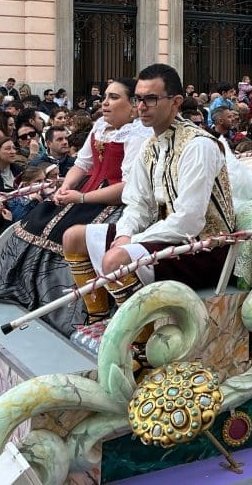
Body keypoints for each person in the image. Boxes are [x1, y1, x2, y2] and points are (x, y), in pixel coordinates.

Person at [60, 65, 233, 357]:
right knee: (73, 237)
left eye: (151, 99)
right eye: (138, 99)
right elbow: (137, 203)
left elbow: (189, 220)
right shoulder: (150, 146)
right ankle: (99, 320)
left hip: (206, 247)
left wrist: (132, 242)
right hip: (162, 236)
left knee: (116, 258)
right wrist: (125, 234)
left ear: (175, 102)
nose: (141, 106)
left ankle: (138, 346)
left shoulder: (199, 145)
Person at [0, 78, 150, 335]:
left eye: (114, 97)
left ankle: (87, 313)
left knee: (71, 232)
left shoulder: (140, 135)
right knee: (39, 219)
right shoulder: (100, 126)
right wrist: (65, 188)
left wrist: (82, 198)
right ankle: (26, 292)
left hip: (115, 199)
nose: (105, 103)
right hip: (85, 190)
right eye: (105, 97)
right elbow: (82, 164)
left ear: (132, 105)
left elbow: (129, 187)